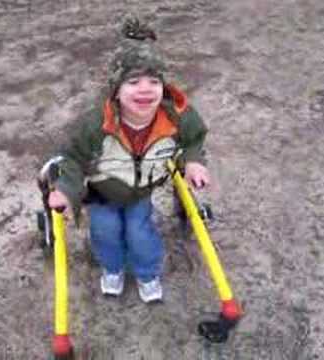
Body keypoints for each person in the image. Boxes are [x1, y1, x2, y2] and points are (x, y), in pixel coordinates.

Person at [46, 16, 210, 303]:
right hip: (101, 191)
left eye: (154, 81)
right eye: (133, 82)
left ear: (164, 87)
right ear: (116, 91)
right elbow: (71, 158)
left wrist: (194, 161)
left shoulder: (176, 117)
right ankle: (113, 269)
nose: (145, 89)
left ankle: (147, 274)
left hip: (140, 193)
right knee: (106, 231)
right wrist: (65, 190)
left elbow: (194, 139)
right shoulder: (95, 123)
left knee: (139, 233)